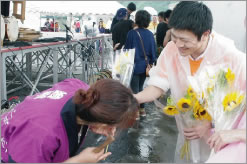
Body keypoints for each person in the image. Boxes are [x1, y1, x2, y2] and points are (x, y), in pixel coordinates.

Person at [134, 1, 246, 163]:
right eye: (174, 36)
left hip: (219, 139)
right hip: (186, 132)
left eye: (185, 40)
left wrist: (210, 125)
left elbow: (238, 106)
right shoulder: (172, 50)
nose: (178, 44)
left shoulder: (230, 57)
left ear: (205, 34)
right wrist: (135, 98)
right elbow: (158, 85)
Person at [1, 78, 139, 163]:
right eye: (113, 125)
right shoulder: (41, 133)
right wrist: (77, 161)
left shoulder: (85, 93)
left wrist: (98, 122)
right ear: (102, 123)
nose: (113, 130)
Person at [124, 10, 157, 119]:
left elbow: (127, 51)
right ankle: (142, 110)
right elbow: (153, 51)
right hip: (145, 66)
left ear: (137, 19)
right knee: (140, 87)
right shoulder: (150, 34)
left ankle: (136, 112)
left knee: (134, 89)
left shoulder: (131, 33)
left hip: (133, 66)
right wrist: (151, 63)